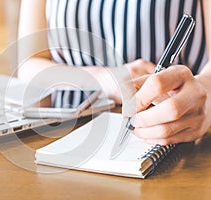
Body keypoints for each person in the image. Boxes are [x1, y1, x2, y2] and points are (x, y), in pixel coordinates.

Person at [17, 0, 211, 145]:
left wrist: (206, 95)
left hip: (170, 138)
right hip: (61, 138)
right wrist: (106, 79)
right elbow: (28, 65)